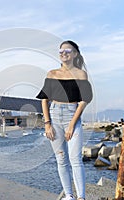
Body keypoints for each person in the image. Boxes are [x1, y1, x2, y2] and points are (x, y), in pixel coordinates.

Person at [36, 40, 93, 200]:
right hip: (54, 116)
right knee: (61, 159)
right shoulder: (52, 73)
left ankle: (81, 197)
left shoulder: (81, 74)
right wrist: (47, 124)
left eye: (67, 50)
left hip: (72, 115)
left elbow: (84, 100)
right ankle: (69, 195)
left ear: (75, 54)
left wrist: (72, 125)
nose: (63, 53)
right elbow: (44, 99)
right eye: (61, 51)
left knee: (75, 159)